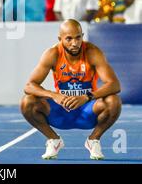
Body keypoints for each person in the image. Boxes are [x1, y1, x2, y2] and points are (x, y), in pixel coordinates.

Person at [20, 19, 122, 160]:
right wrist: (54, 95)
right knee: (28, 102)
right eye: (69, 39)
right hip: (61, 111)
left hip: (87, 111)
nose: (74, 43)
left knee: (113, 101)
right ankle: (53, 140)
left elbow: (114, 85)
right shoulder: (52, 54)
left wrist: (87, 97)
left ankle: (93, 140)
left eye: (78, 37)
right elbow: (29, 86)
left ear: (82, 35)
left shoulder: (93, 52)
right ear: (60, 39)